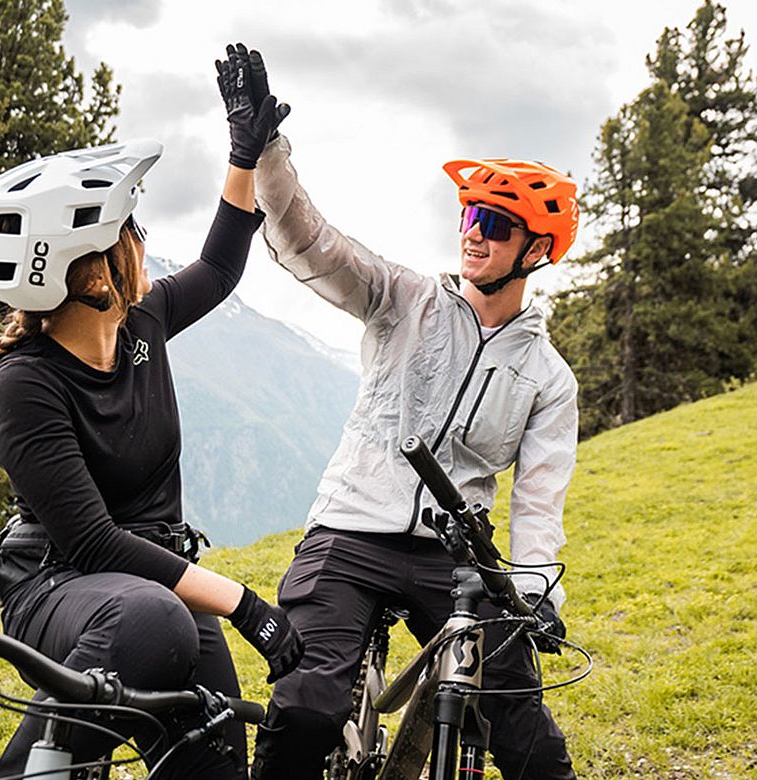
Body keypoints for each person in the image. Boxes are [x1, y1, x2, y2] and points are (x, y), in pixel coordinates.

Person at [0, 44, 301, 779]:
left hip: (161, 585)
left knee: (211, 760)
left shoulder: (140, 324)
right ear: (90, 271)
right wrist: (244, 605)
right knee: (151, 623)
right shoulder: (23, 385)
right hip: (64, 586)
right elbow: (95, 544)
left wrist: (243, 152)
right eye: (129, 229)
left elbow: (220, 267)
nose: (142, 240)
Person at [239, 54, 582, 780]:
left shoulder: (548, 377)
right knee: (304, 707)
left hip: (458, 557)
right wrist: (264, 152)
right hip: (351, 531)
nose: (474, 232)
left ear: (537, 250)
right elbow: (308, 239)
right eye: (469, 214)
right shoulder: (405, 299)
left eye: (494, 222)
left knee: (530, 743)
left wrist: (536, 594)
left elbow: (539, 502)